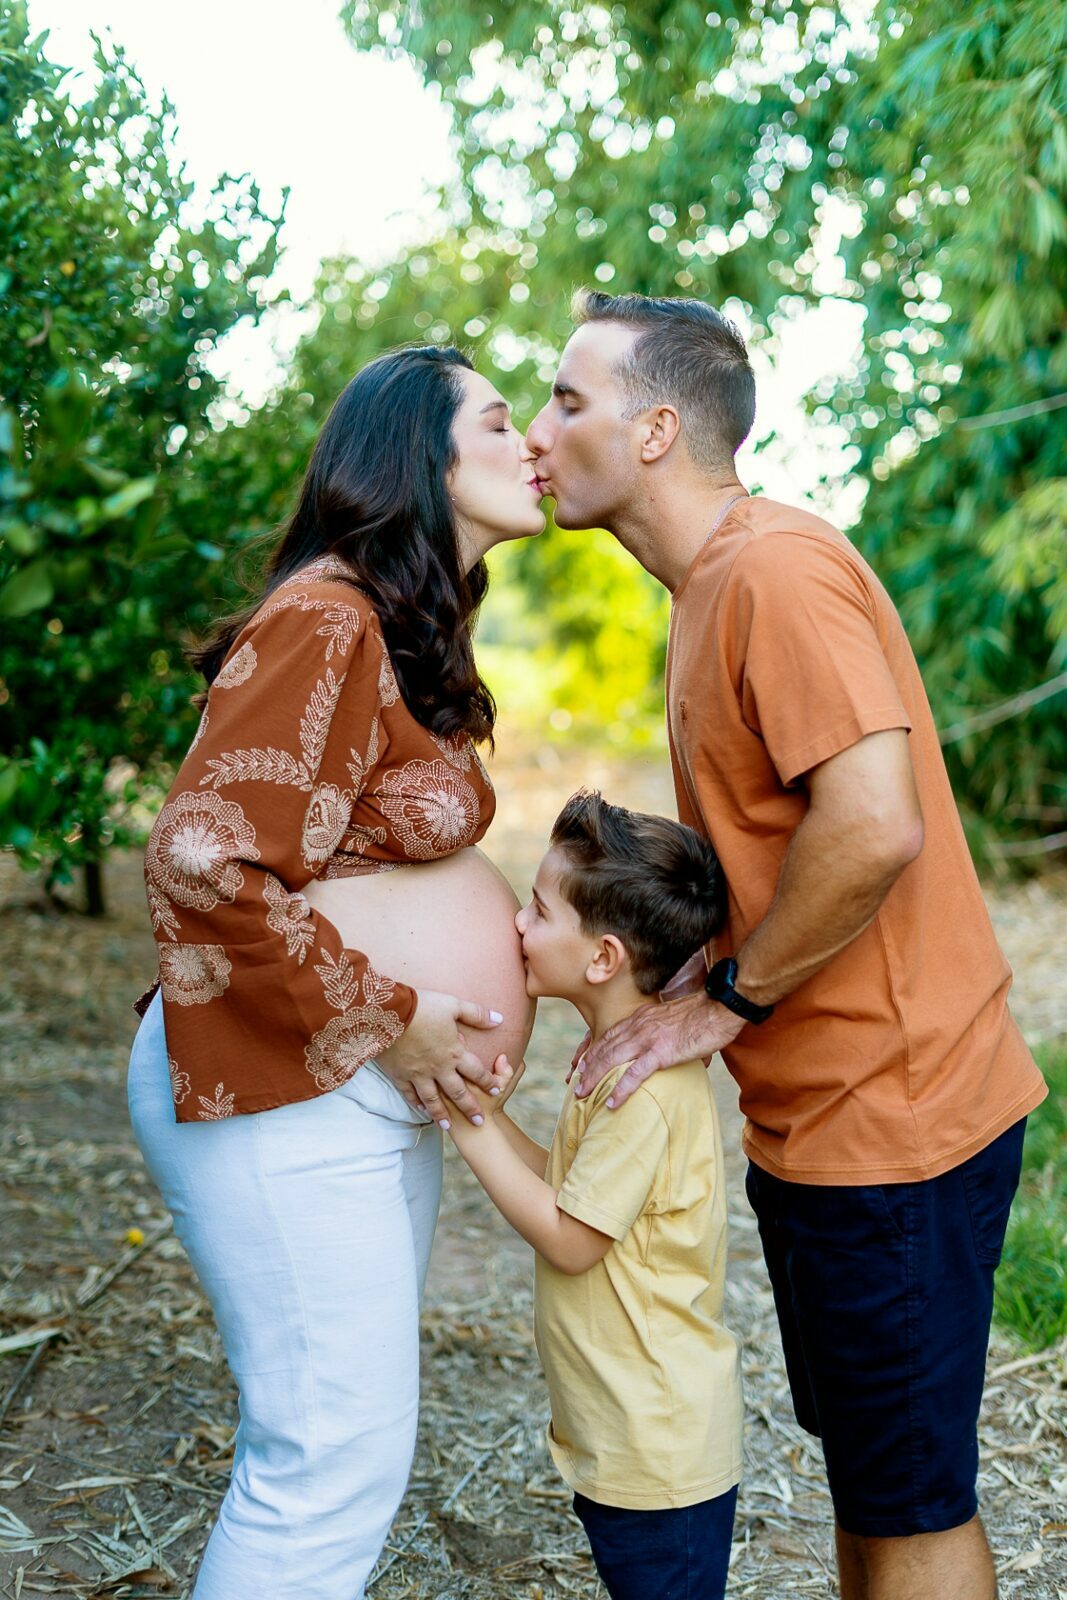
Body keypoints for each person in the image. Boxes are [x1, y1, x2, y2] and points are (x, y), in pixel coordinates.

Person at [524, 291, 1047, 1600]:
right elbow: (783, 842)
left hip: (895, 1118)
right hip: (824, 1124)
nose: (537, 429)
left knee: (913, 1504)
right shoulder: (706, 590)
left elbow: (872, 826)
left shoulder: (770, 572)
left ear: (654, 429)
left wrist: (725, 1003)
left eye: (566, 400)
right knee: (874, 1483)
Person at [127, 344, 545, 1599]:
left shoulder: (386, 623)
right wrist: (392, 1017)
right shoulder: (328, 615)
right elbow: (200, 859)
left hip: (343, 1088)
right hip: (287, 1078)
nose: (529, 442)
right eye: (498, 420)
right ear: (419, 455)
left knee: (341, 1450)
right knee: (324, 1462)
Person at [442, 790, 743, 1600]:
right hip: (623, 1433)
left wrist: (467, 1126)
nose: (517, 925)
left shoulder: (643, 1092)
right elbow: (570, 1192)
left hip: (657, 1451)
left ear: (603, 958)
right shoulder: (616, 1056)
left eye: (538, 911)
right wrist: (486, 1116)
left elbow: (572, 1239)